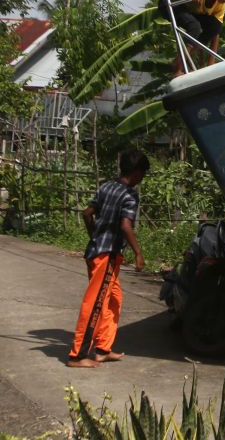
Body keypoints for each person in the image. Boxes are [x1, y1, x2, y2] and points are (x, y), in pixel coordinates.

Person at [66, 149, 149, 368]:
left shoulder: (106, 187)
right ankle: (78, 355)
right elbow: (125, 226)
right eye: (143, 173)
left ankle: (103, 349)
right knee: (94, 303)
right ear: (138, 172)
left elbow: (87, 213)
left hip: (97, 251)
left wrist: (94, 235)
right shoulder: (130, 195)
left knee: (114, 299)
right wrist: (138, 253)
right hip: (106, 256)